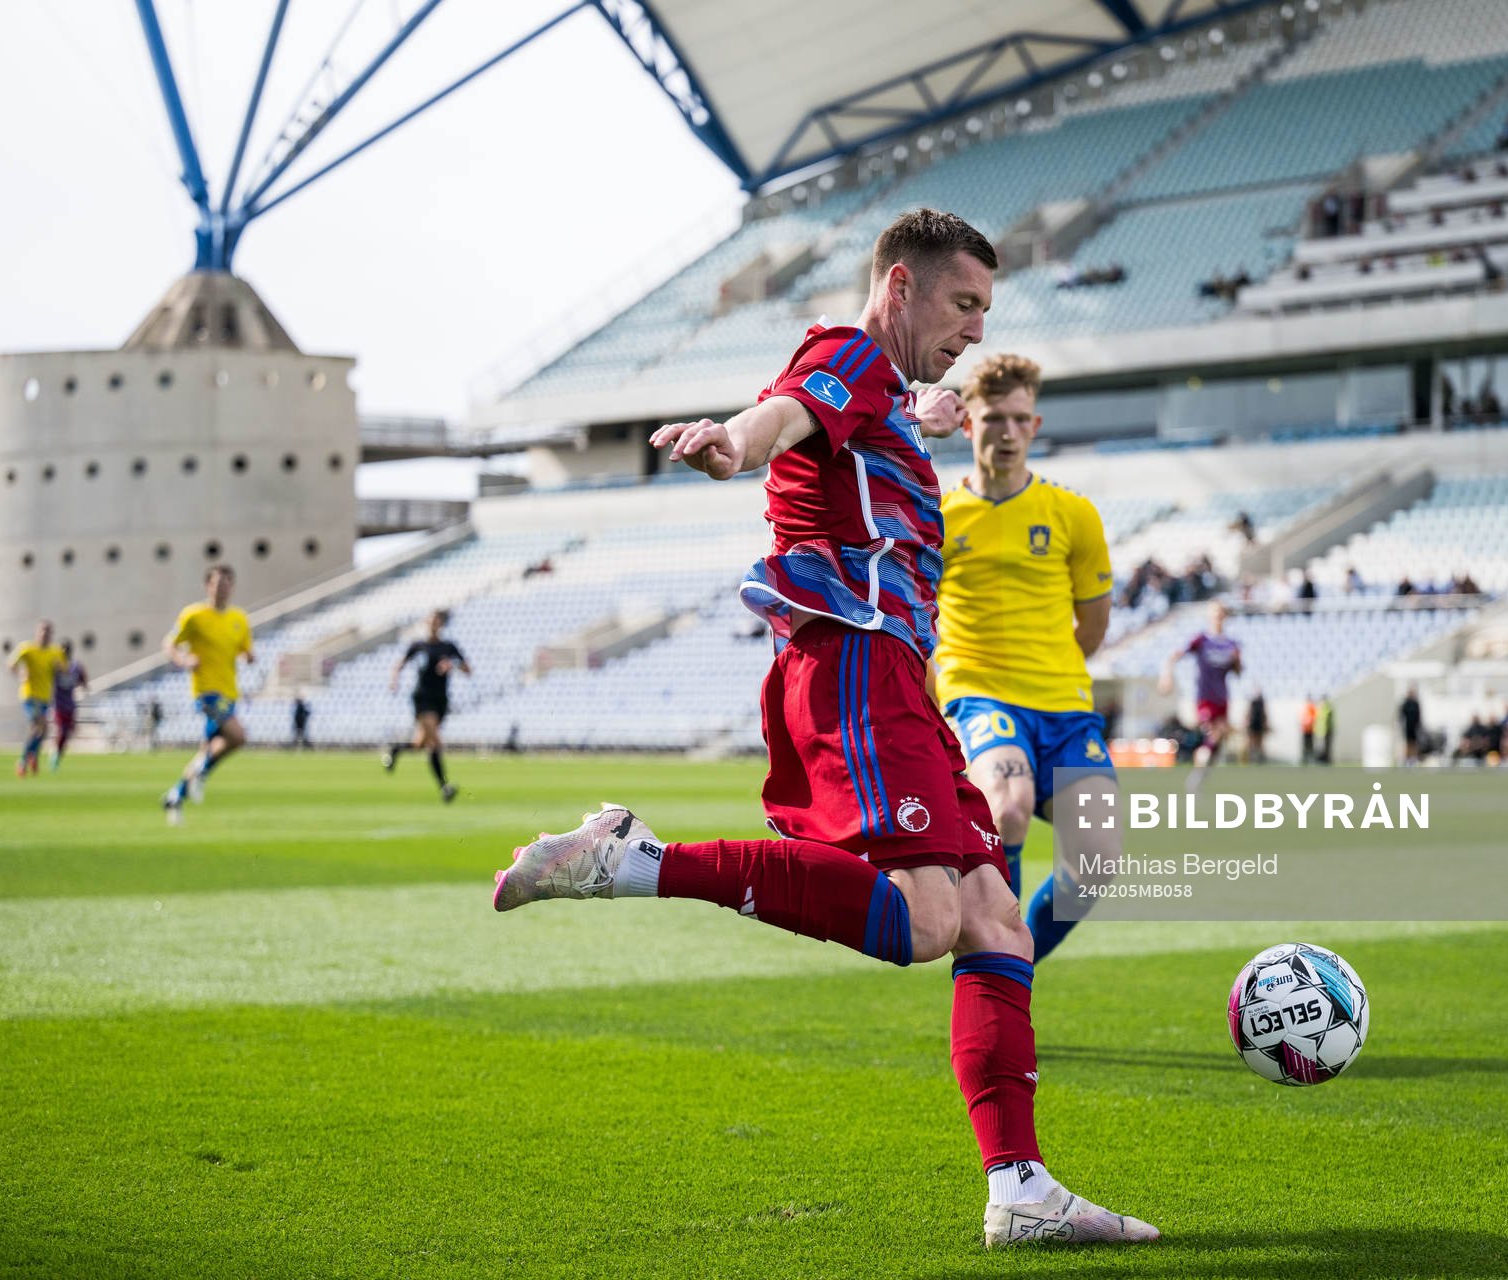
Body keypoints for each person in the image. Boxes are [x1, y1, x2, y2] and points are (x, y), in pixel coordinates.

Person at [488, 209, 1156, 1248]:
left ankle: (1019, 1185)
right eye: (963, 303)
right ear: (899, 287)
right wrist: (731, 443)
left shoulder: (884, 384)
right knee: (931, 920)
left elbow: (868, 406)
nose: (976, 329)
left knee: (996, 918)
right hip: (855, 652)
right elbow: (791, 409)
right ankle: (637, 861)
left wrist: (924, 405)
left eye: (987, 309)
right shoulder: (843, 352)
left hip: (898, 674)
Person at [932, 353, 1119, 964]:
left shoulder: (1074, 515)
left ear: (1034, 426)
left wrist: (1051, 670)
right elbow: (916, 621)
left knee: (1096, 861)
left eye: (1018, 420)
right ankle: (996, 977)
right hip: (979, 695)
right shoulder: (936, 519)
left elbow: (1092, 627)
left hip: (1064, 707)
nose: (1006, 434)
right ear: (968, 426)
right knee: (1007, 806)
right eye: (992, 421)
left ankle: (1009, 962)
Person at [161, 565, 254, 825]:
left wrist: (249, 656)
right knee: (238, 736)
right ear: (208, 586)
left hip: (230, 692)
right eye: (216, 583)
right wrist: (182, 659)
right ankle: (200, 776)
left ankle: (175, 795)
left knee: (209, 750)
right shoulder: (194, 616)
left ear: (232, 587)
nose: (222, 588)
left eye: (226, 583)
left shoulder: (239, 619)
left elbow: (245, 649)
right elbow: (169, 643)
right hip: (207, 692)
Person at [384, 609, 472, 803]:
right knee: (435, 742)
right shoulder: (418, 645)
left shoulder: (449, 647)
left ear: (440, 624)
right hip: (422, 698)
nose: (433, 624)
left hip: (440, 699)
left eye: (436, 621)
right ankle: (445, 787)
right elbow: (400, 664)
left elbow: (468, 669)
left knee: (420, 744)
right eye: (430, 620)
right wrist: (394, 680)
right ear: (426, 623)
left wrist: (452, 665)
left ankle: (395, 750)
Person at [1159, 601, 1242, 791]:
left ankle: (1200, 775)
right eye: (1214, 613)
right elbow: (1174, 656)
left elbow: (1237, 672)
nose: (1217, 617)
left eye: (1221, 613)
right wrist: (1167, 676)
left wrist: (1237, 662)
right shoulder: (1201, 640)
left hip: (1223, 698)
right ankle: (1196, 780)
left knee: (1217, 740)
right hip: (1205, 698)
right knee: (1213, 735)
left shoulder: (1231, 644)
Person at [6, 620, 66, 778]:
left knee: (42, 731)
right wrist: (20, 674)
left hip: (45, 697)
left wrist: (58, 669)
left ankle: (32, 756)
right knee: (39, 726)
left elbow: (63, 671)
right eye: (42, 631)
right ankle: (23, 761)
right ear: (37, 633)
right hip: (29, 696)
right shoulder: (27, 649)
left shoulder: (55, 652)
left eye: (48, 631)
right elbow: (11, 664)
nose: (45, 634)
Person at [49, 640, 88, 770]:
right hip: (58, 704)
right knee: (61, 730)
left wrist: (84, 687)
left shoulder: (76, 667)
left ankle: (57, 753)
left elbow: (83, 679)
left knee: (67, 732)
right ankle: (54, 755)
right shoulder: (56, 666)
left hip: (70, 705)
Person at [1399, 686, 1423, 765]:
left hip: (1415, 727)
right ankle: (1406, 759)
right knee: (1408, 743)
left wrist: (1419, 725)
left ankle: (1414, 759)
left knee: (1414, 743)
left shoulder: (1416, 703)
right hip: (1407, 727)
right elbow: (1401, 715)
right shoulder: (1405, 703)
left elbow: (1419, 715)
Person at [1244, 691, 1269, 765]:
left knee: (1259, 742)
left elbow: (1264, 714)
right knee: (1251, 742)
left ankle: (1259, 759)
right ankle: (1249, 758)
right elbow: (1248, 712)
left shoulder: (1261, 703)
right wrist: (1246, 721)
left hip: (1259, 724)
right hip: (1253, 723)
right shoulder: (1253, 702)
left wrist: (1265, 723)